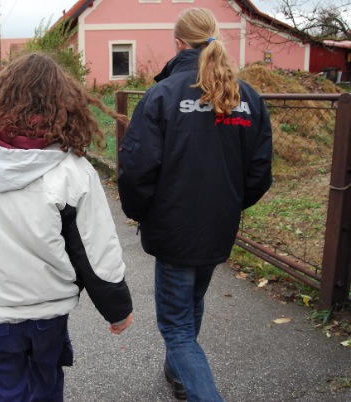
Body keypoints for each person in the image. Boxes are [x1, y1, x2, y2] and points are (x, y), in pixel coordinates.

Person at [0, 51, 133, 402]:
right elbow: (97, 251)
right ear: (64, 104)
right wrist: (117, 308)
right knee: (45, 389)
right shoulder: (73, 169)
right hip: (48, 312)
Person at [117, 8, 272, 402]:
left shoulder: (161, 95)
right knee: (192, 302)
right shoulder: (247, 97)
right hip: (218, 227)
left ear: (179, 43)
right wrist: (227, 205)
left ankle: (199, 387)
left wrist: (144, 213)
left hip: (174, 231)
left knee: (177, 327)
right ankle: (178, 374)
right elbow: (259, 173)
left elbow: (136, 170)